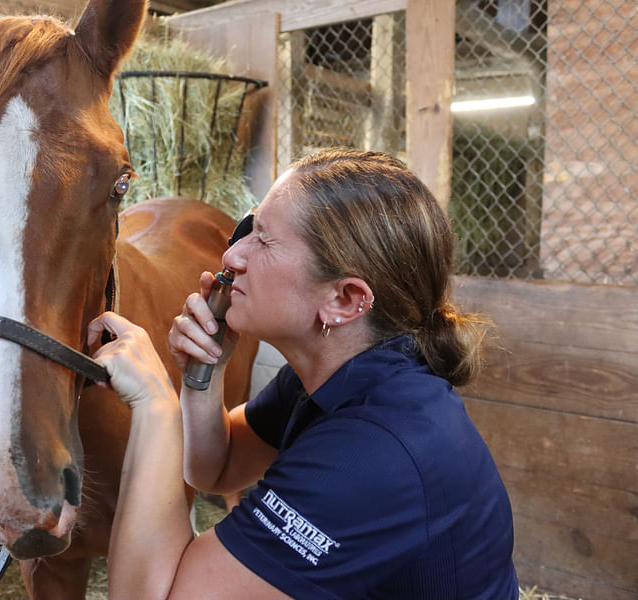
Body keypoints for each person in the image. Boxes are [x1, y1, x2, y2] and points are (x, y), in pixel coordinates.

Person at [87, 148, 518, 600]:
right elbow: (218, 469)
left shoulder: (373, 452)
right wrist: (203, 374)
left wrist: (155, 405)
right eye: (248, 229)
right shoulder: (343, 372)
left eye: (265, 241)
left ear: (345, 300)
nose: (232, 254)